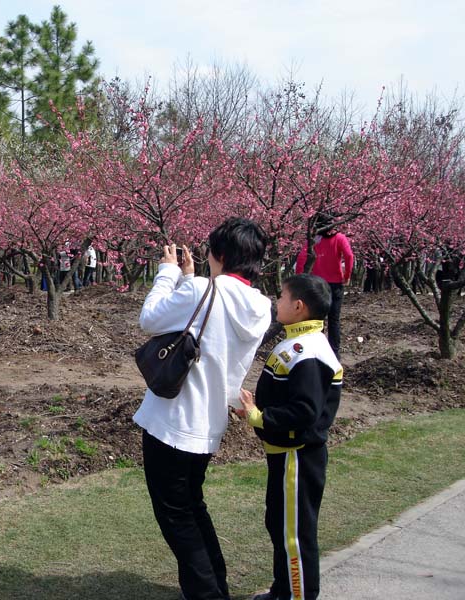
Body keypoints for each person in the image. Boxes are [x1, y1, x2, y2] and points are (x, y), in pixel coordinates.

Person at [133, 217, 272, 600]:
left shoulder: (200, 291)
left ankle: (207, 594)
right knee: (192, 506)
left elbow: (150, 318)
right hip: (209, 424)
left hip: (172, 422)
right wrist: (190, 280)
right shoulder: (261, 307)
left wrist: (166, 273)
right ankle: (216, 585)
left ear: (220, 255)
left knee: (177, 517)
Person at [236, 274, 342, 600]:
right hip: (285, 453)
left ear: (298, 306)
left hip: (299, 455)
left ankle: (298, 595)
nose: (276, 301)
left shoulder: (309, 351)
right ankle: (283, 589)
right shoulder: (299, 342)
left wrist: (259, 416)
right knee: (279, 524)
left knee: (295, 533)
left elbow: (305, 411)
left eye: (281, 296)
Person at [295, 214, 354, 356]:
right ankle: (334, 353)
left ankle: (317, 350)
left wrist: (300, 277)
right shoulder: (340, 238)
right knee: (334, 319)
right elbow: (349, 256)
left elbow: (302, 257)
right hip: (335, 283)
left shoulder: (314, 239)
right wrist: (347, 276)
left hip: (317, 283)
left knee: (317, 319)